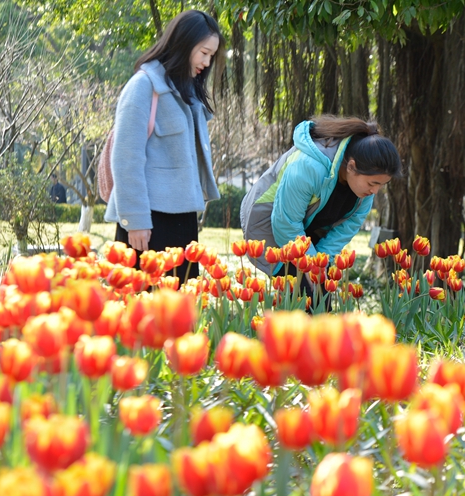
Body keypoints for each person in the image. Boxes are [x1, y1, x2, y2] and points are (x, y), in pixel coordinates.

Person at [104, 10, 223, 283]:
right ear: (184, 44)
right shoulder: (143, 87)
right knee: (141, 312)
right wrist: (136, 221)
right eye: (204, 52)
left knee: (181, 313)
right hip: (148, 223)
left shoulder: (187, 92)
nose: (207, 62)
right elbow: (126, 159)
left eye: (211, 56)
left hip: (183, 220)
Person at [240, 115, 402, 291]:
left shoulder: (365, 189)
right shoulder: (310, 166)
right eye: (373, 183)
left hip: (309, 232)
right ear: (351, 166)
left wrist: (321, 263)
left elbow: (346, 229)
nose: (375, 192)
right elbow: (286, 223)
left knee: (320, 296)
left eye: (381, 185)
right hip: (270, 225)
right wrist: (313, 264)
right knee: (306, 297)